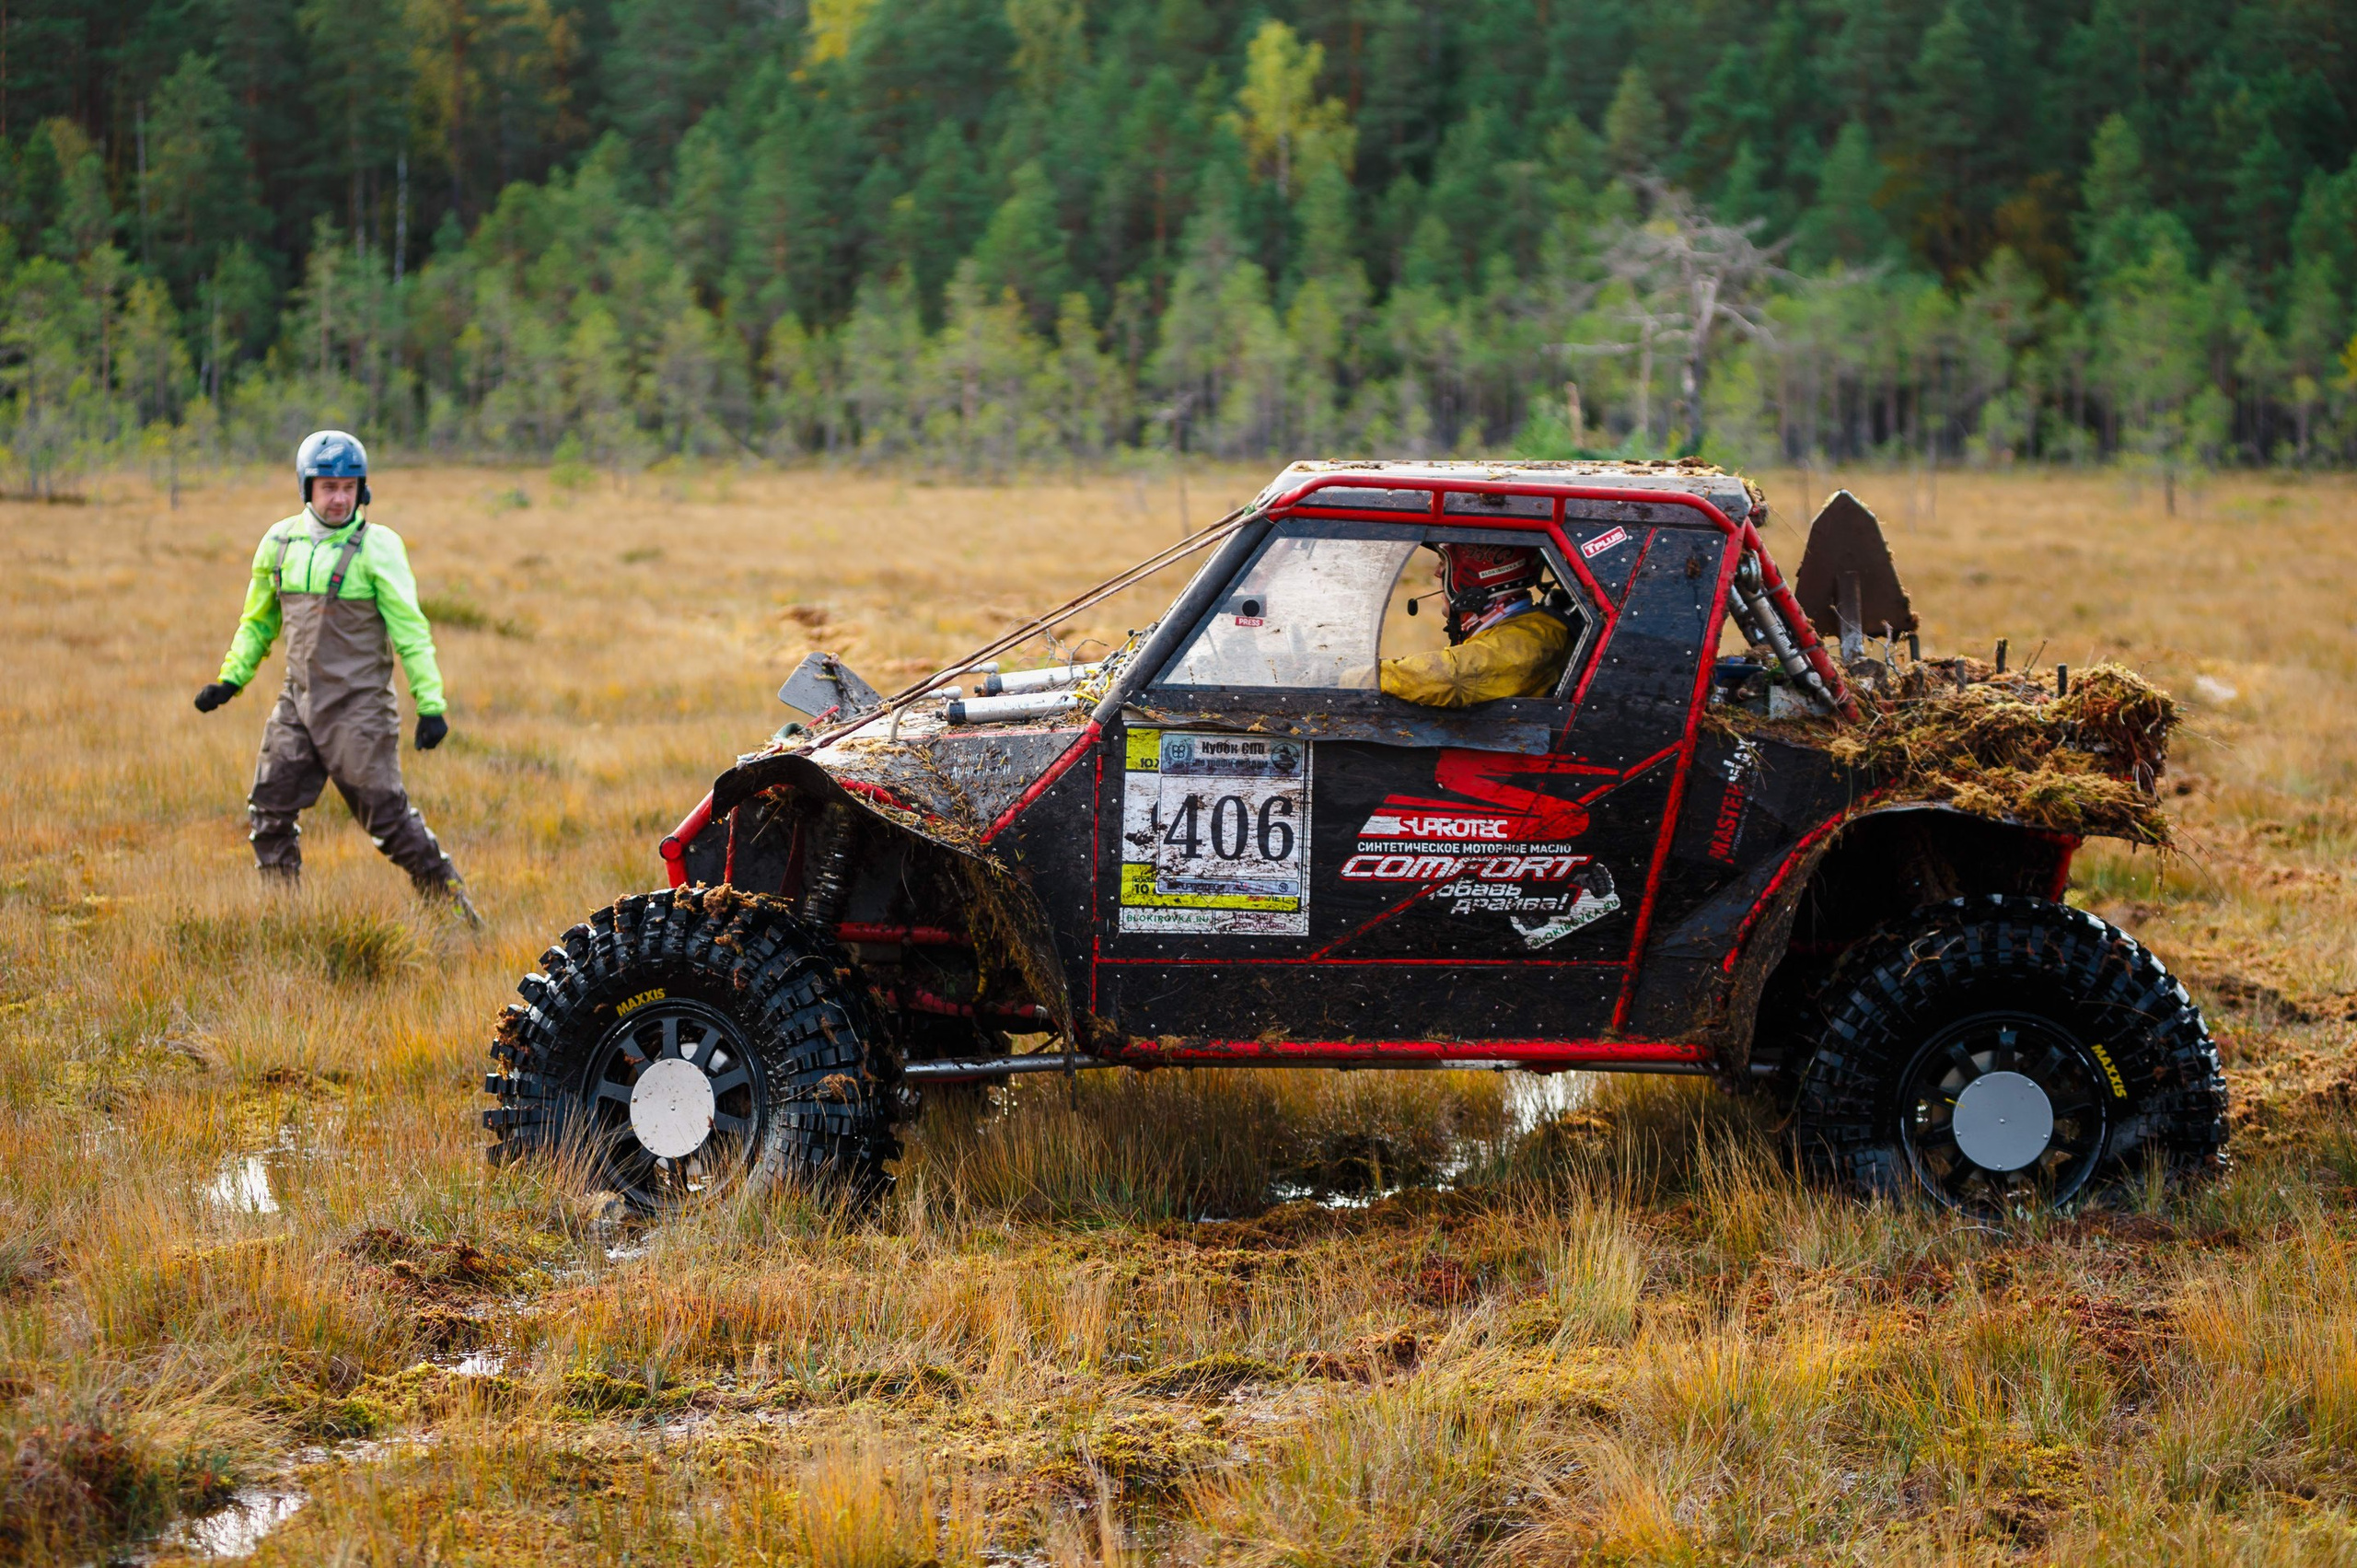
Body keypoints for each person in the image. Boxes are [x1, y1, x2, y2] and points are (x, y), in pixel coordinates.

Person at [193, 431, 478, 921]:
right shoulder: (279, 543)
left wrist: (430, 705)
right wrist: (229, 681)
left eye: (349, 486)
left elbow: (411, 631)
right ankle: (284, 919)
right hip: (298, 705)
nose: (339, 497)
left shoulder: (379, 548)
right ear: (307, 488)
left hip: (360, 711)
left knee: (389, 823)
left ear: (362, 489)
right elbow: (258, 623)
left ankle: (457, 914)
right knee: (270, 811)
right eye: (328, 486)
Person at [1378, 542, 1573, 707]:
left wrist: (1364, 676)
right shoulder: (1519, 628)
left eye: (1444, 562)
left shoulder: (1533, 640)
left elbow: (1450, 677)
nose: (1437, 572)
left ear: (1480, 571)